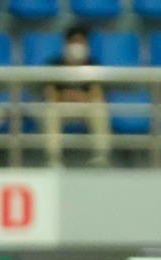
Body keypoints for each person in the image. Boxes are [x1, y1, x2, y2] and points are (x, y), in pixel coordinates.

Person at [45, 25, 111, 167]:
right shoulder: (55, 64)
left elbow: (97, 93)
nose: (78, 46)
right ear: (67, 44)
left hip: (85, 105)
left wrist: (81, 98)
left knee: (99, 109)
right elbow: (51, 94)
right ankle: (54, 159)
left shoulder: (93, 63)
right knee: (51, 112)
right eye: (75, 42)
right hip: (62, 106)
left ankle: (100, 157)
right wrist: (65, 97)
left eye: (81, 42)